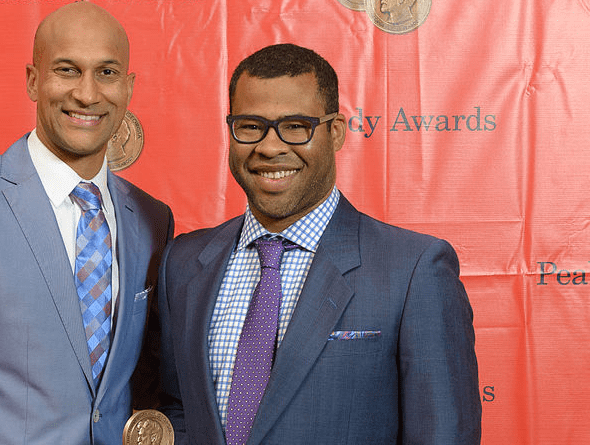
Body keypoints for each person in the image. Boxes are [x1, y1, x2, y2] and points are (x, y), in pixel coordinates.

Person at [157, 43, 480, 444]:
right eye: (250, 125)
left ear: (336, 132)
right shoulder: (184, 263)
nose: (270, 147)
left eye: (295, 126)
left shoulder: (414, 270)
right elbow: (176, 412)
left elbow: (441, 434)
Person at [0, 3, 173, 444]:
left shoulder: (152, 218)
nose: (88, 94)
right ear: (33, 81)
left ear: (129, 87)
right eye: (67, 70)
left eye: (107, 73)